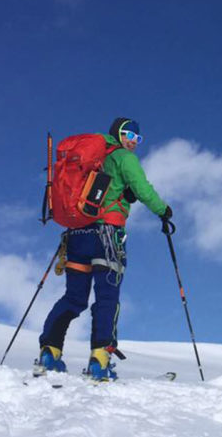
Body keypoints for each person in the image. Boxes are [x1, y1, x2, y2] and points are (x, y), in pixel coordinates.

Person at [36, 117, 173, 381]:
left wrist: (124, 193)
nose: (133, 141)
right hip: (107, 236)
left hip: (78, 235)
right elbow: (143, 189)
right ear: (118, 134)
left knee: (74, 298)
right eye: (129, 134)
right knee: (107, 297)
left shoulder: (95, 158)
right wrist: (163, 211)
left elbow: (113, 188)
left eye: (137, 137)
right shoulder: (124, 157)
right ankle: (99, 360)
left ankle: (49, 352)